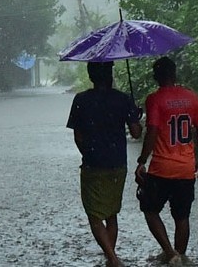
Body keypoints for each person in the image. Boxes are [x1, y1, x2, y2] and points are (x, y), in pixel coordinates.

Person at [66, 61, 142, 267]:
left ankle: (113, 259)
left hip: (93, 164)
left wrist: (88, 154)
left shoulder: (81, 100)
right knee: (111, 213)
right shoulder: (123, 99)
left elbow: (78, 136)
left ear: (90, 76)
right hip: (118, 163)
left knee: (94, 215)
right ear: (110, 74)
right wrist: (136, 115)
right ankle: (111, 258)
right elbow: (136, 133)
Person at [134, 57, 198, 266]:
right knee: (182, 216)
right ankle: (180, 256)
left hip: (161, 168)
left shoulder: (154, 99)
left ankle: (169, 252)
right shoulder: (191, 97)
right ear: (174, 74)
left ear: (156, 77)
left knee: (149, 209)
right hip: (186, 168)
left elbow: (153, 132)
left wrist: (141, 160)